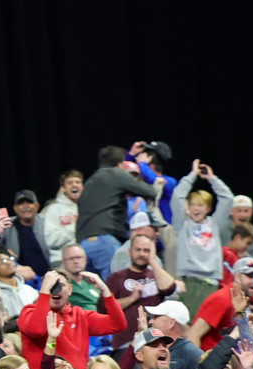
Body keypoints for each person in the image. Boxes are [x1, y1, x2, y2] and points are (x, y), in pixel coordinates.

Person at [18, 269, 126, 369]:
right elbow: (36, 330)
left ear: (70, 289)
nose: (56, 289)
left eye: (61, 285)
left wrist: (106, 291)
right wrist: (45, 292)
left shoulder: (80, 315)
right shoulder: (28, 312)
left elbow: (118, 324)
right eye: (52, 285)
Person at [74, 146, 158, 278]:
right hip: (105, 241)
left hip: (83, 243)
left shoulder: (90, 181)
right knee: (114, 289)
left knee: (95, 293)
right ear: (120, 163)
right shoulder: (116, 174)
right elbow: (151, 192)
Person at [172, 160, 234, 315]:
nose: (195, 208)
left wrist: (212, 179)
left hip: (212, 282)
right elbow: (177, 197)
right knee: (188, 323)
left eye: (200, 205)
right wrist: (192, 175)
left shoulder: (214, 223)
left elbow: (228, 199)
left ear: (208, 208)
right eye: (192, 204)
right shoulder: (182, 224)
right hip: (190, 280)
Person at [106, 233, 177, 353]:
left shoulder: (156, 275)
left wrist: (153, 262)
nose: (142, 254)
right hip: (125, 344)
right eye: (138, 249)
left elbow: (170, 288)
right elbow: (104, 308)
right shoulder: (116, 278)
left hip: (154, 342)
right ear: (130, 251)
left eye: (146, 250)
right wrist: (131, 298)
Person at [1, 190, 50, 281]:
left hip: (50, 274)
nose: (25, 206)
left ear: (37, 206)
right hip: (21, 279)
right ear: (15, 208)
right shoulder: (7, 226)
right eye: (21, 203)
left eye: (30, 202)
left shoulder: (48, 223)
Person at [41, 171, 83, 268]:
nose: (74, 185)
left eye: (77, 182)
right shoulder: (54, 209)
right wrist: (74, 227)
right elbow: (50, 240)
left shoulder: (88, 208)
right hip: (61, 261)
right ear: (63, 188)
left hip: (85, 258)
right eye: (70, 183)